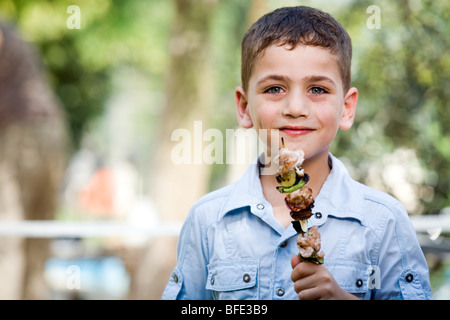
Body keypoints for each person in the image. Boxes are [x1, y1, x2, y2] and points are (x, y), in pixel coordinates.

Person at [162, 6, 432, 300]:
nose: (295, 108)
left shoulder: (383, 221)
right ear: (244, 107)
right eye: (275, 88)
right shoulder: (208, 220)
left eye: (317, 90)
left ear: (347, 108)